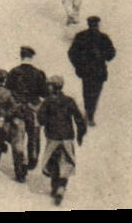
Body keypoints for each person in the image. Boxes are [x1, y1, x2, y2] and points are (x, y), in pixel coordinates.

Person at [37, 75, 88, 205]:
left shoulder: (47, 101)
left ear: (53, 87)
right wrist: (80, 135)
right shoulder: (69, 100)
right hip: (67, 137)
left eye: (49, 85)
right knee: (66, 163)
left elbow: (41, 120)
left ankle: (55, 187)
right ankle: (61, 188)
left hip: (52, 137)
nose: (48, 87)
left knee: (53, 162)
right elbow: (79, 119)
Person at [5, 46, 50, 172]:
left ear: (21, 56)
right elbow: (44, 93)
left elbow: (7, 92)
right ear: (32, 57)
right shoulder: (39, 73)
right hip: (34, 109)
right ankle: (33, 159)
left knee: (17, 139)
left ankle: (20, 169)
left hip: (18, 110)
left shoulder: (13, 72)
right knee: (34, 136)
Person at [67, 16, 117, 125]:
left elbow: (72, 53)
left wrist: (78, 65)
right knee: (94, 93)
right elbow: (111, 54)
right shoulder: (103, 37)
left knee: (88, 92)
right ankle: (90, 114)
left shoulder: (81, 36)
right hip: (97, 71)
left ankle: (89, 113)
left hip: (88, 71)